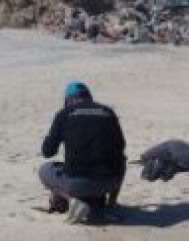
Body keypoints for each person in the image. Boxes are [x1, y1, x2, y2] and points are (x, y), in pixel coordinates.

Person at [39, 81, 127, 223]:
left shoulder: (64, 114)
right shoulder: (108, 112)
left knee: (45, 170)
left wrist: (55, 133)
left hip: (78, 184)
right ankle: (111, 204)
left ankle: (72, 199)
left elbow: (47, 152)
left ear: (68, 100)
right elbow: (121, 146)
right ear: (89, 97)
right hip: (111, 181)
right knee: (121, 159)